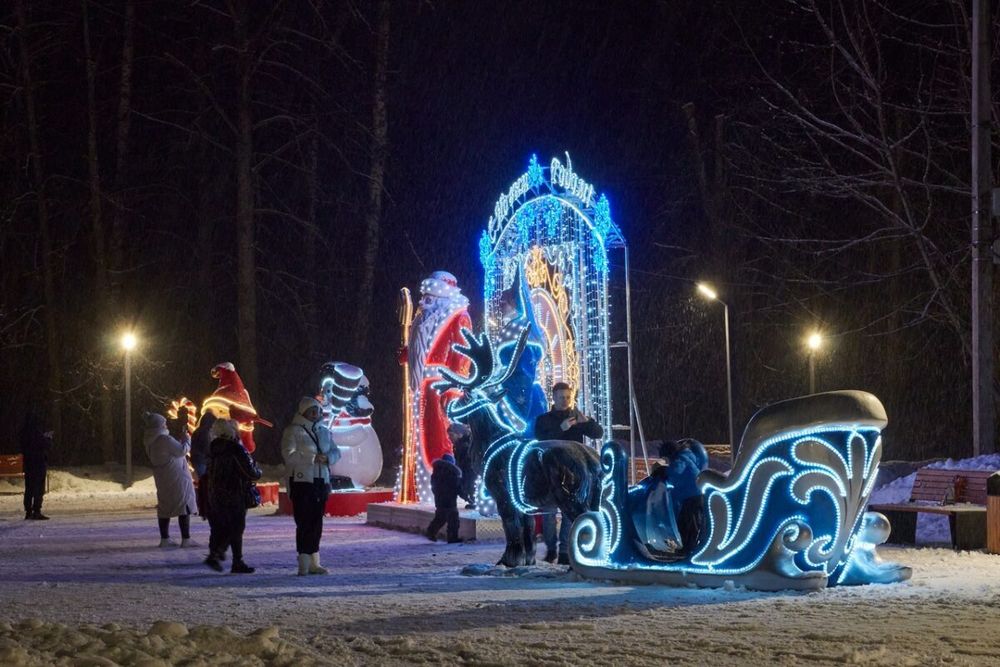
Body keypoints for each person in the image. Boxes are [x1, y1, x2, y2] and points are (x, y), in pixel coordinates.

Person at [533, 382, 604, 564]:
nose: (564, 401)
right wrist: (561, 429)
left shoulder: (577, 419)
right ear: (554, 398)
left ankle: (564, 551)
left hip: (573, 472)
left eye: (567, 397)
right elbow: (540, 438)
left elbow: (597, 433)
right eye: (561, 397)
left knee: (568, 512)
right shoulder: (544, 419)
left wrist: (586, 423)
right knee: (549, 512)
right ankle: (551, 548)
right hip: (550, 472)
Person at [282, 396, 340, 576]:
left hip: (321, 481)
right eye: (312, 410)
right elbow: (288, 455)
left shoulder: (324, 431)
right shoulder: (293, 431)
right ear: (303, 411)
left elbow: (335, 451)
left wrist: (328, 458)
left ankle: (314, 561)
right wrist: (311, 458)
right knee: (304, 522)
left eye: (318, 410)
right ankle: (304, 560)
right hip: (301, 482)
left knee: (317, 522)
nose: (316, 414)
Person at [203, 418, 261, 574]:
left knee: (222, 527)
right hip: (235, 492)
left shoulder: (214, 449)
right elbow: (250, 472)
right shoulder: (235, 449)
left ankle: (218, 553)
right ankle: (231, 559)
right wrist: (257, 470)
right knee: (236, 527)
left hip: (216, 493)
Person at [142, 412, 198, 547]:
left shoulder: (150, 440)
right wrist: (186, 438)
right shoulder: (164, 439)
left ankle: (165, 538)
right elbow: (182, 451)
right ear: (159, 425)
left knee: (164, 507)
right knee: (183, 505)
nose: (166, 425)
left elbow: (170, 452)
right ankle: (186, 539)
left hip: (163, 478)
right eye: (164, 423)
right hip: (177, 478)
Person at [660, 439, 708, 558]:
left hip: (692, 496)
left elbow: (676, 471)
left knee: (689, 523)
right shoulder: (686, 456)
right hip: (694, 495)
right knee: (688, 523)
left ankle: (689, 550)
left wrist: (663, 471)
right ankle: (688, 549)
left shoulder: (681, 459)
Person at [18, 412, 52, 520]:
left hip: (28, 463)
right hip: (38, 462)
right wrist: (48, 438)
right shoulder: (37, 432)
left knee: (29, 488)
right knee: (38, 488)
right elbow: (45, 445)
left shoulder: (24, 432)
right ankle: (36, 510)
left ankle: (28, 511)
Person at [425, 452, 463, 543]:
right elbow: (457, 488)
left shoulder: (436, 472)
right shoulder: (453, 474)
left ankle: (431, 532)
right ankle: (452, 538)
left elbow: (434, 487)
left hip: (439, 500)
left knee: (440, 518)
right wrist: (465, 496)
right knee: (453, 520)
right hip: (450, 501)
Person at [448, 423, 476, 508]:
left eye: (452, 435)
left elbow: (466, 461)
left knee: (468, 486)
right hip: (464, 472)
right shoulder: (458, 445)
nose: (450, 438)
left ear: (459, 434)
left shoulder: (465, 445)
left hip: (469, 472)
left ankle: (473, 500)